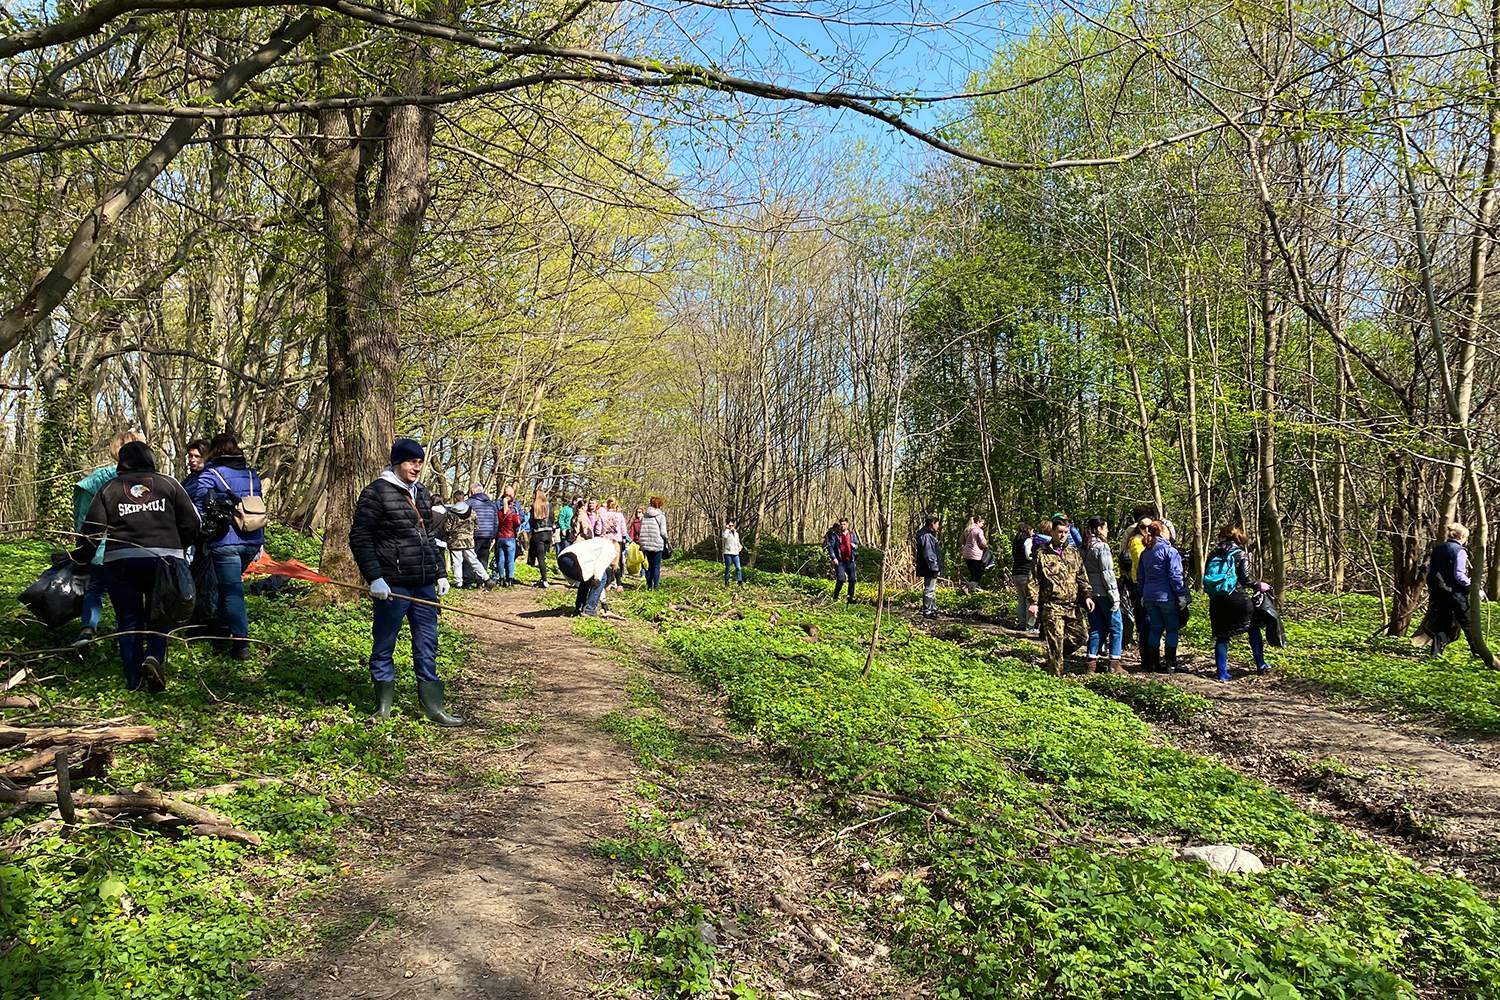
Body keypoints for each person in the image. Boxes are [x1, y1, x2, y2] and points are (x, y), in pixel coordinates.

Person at [70, 441, 199, 691]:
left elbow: (92, 532)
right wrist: (178, 547)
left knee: (128, 620)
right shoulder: (169, 484)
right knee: (163, 611)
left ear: (122, 461)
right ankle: (154, 656)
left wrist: (80, 560)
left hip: (121, 561)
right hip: (164, 559)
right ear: (151, 460)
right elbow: (192, 523)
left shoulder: (109, 488)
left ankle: (133, 680)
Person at [349, 438, 461, 726]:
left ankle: (433, 707)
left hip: (423, 584)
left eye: (420, 462)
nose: (417, 467)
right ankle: (383, 707)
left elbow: (429, 538)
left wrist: (440, 572)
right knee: (384, 644)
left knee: (427, 644)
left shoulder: (422, 493)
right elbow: (360, 538)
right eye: (412, 461)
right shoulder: (376, 493)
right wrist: (374, 578)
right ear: (397, 462)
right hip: (392, 585)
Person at [186, 433, 267, 661]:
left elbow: (198, 506)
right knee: (226, 586)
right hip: (252, 539)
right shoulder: (251, 474)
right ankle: (222, 633)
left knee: (232, 590)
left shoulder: (210, 474)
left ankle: (241, 643)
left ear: (215, 451)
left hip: (225, 542)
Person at [70, 430, 147, 648]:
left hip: (100, 547)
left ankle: (87, 630)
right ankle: (126, 634)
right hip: (135, 547)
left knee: (95, 588)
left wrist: (82, 547)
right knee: (132, 592)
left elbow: (83, 516)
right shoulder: (146, 481)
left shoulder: (97, 479)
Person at [1026, 517, 1094, 676]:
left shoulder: (1073, 552)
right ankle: (1056, 679)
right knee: (1055, 642)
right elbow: (1034, 580)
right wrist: (1033, 602)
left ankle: (1054, 659)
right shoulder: (1042, 553)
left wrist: (1087, 596)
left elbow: (1081, 577)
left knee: (1081, 636)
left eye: (1065, 532)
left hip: (1072, 605)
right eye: (1060, 532)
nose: (1063, 535)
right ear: (1053, 532)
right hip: (1052, 605)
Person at [1204, 524, 1272, 680]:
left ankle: (1222, 673)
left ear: (1222, 536)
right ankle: (1261, 664)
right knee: (1253, 627)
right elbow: (1246, 578)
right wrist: (1260, 585)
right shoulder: (1240, 553)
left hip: (1217, 599)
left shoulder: (1213, 554)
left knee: (1222, 636)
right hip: (1237, 598)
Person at [1136, 520, 1188, 673]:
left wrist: (1143, 594)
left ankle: (1153, 665)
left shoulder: (1145, 553)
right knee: (1172, 629)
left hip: (1149, 596)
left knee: (1155, 628)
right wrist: (1181, 594)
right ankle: (1171, 664)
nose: (1169, 533)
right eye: (1167, 530)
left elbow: (1141, 576)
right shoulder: (1170, 551)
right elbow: (1175, 575)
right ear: (1160, 532)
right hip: (1166, 596)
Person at [1427, 523, 1478, 658]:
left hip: (1441, 593)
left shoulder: (1437, 550)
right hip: (1456, 595)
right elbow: (1459, 575)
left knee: (1442, 625)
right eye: (1466, 538)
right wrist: (1474, 587)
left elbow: (1430, 572)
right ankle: (1479, 653)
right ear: (1461, 536)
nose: (1466, 540)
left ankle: (1435, 654)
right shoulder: (1459, 551)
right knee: (1468, 625)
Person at [1080, 516, 1122, 675]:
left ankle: (1091, 662)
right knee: (1116, 626)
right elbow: (1108, 574)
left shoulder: (1083, 546)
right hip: (1104, 593)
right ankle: (1114, 662)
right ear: (1098, 529)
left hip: (1090, 594)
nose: (1108, 530)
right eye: (1105, 528)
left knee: (1096, 627)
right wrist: (1115, 597)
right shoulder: (1102, 547)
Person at [1118, 506, 1155, 649]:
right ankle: (1142, 642)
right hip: (1135, 576)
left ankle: (1139, 638)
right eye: (1143, 526)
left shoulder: (1149, 533)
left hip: (1133, 575)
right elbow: (1126, 552)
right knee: (1140, 612)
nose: (1146, 529)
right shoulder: (1135, 537)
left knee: (1139, 611)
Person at [557, 534, 620, 616]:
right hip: (573, 559)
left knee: (587, 577)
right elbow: (600, 566)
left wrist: (603, 601)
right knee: (602, 577)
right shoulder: (609, 547)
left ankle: (579, 607)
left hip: (563, 558)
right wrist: (597, 579)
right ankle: (589, 609)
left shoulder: (598, 542)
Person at [444, 497, 492, 590]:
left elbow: (446, 527)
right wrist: (469, 533)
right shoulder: (472, 512)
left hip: (455, 540)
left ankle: (459, 583)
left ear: (455, 499)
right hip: (468, 541)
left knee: (457, 562)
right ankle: (486, 578)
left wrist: (452, 534)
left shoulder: (451, 513)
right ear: (464, 499)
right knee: (474, 560)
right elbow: (476, 527)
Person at [914, 513, 945, 619]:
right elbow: (929, 553)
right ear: (932, 524)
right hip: (929, 566)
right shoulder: (927, 536)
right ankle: (928, 611)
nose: (938, 526)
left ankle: (931, 609)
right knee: (929, 589)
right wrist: (935, 567)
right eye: (937, 524)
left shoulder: (926, 535)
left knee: (931, 588)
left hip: (928, 566)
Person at [637, 496, 669, 591]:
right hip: (657, 543)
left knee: (649, 565)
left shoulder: (644, 517)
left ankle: (649, 586)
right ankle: (656, 587)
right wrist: (666, 539)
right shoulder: (661, 517)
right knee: (656, 566)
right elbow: (663, 532)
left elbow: (640, 530)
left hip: (646, 544)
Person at [599, 499, 631, 591]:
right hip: (617, 540)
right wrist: (624, 538)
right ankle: (619, 585)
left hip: (606, 540)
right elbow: (623, 529)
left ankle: (608, 584)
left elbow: (598, 530)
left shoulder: (602, 515)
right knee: (617, 562)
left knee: (607, 562)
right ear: (615, 505)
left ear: (607, 505)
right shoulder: (620, 516)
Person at [826, 519, 859, 604]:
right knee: (841, 579)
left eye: (844, 524)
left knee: (852, 579)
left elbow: (856, 544)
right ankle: (835, 596)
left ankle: (850, 598)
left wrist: (854, 546)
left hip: (850, 560)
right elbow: (830, 547)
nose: (842, 526)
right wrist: (834, 558)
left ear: (847, 524)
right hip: (840, 562)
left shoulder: (851, 534)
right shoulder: (835, 535)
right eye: (841, 524)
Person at [494, 488, 521, 587]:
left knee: (500, 559)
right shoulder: (513, 514)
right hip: (510, 538)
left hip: (500, 537)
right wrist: (517, 515)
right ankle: (510, 579)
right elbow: (518, 523)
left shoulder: (498, 513)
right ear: (511, 504)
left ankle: (501, 579)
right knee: (510, 559)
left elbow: (496, 524)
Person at [1011, 521, 1035, 631]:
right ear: (1028, 531)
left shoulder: (1016, 542)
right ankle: (1029, 626)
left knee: (1021, 600)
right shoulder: (1028, 541)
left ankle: (1021, 623)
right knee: (1028, 600)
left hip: (1016, 572)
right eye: (1032, 530)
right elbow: (1028, 556)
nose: (1033, 533)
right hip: (1025, 572)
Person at [468, 484, 498, 571]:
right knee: (483, 558)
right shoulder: (492, 504)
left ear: (473, 492)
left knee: (470, 557)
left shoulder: (469, 503)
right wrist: (493, 535)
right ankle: (480, 580)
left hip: (474, 534)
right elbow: (496, 522)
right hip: (487, 534)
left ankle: (467, 580)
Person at [528, 489, 553, 588]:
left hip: (538, 533)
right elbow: (552, 519)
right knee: (544, 557)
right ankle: (544, 578)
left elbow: (531, 522)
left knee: (540, 558)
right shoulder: (550, 506)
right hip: (548, 532)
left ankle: (544, 580)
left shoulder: (534, 507)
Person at [958, 515, 988, 595]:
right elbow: (983, 543)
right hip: (975, 555)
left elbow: (961, 541)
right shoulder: (978, 530)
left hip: (966, 554)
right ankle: (970, 590)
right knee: (978, 575)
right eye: (982, 523)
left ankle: (968, 589)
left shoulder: (967, 529)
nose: (982, 525)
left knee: (973, 574)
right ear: (978, 522)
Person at [722, 519, 744, 586]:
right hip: (728, 553)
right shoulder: (726, 532)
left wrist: (740, 546)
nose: (731, 526)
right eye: (730, 525)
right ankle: (726, 581)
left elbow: (737, 542)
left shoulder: (736, 534)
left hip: (735, 553)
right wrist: (727, 529)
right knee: (728, 568)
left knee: (738, 568)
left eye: (732, 525)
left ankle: (739, 582)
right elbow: (724, 537)